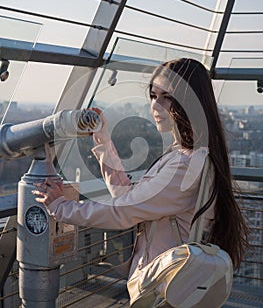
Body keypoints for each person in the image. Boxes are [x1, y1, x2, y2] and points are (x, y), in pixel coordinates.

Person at [33, 58, 249, 302]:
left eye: (166, 97)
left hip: (164, 287)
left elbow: (122, 212)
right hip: (172, 284)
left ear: (189, 102)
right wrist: (103, 142)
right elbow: (128, 200)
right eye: (153, 95)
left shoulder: (184, 166)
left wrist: (61, 207)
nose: (155, 106)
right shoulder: (192, 156)